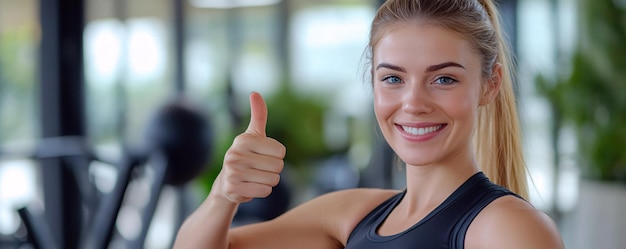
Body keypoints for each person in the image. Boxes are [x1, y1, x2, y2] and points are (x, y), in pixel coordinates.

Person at [173, 0, 565, 248]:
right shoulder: (352, 215)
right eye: (393, 79)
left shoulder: (508, 229)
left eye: (443, 78)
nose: (413, 104)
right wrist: (224, 193)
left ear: (489, 85)